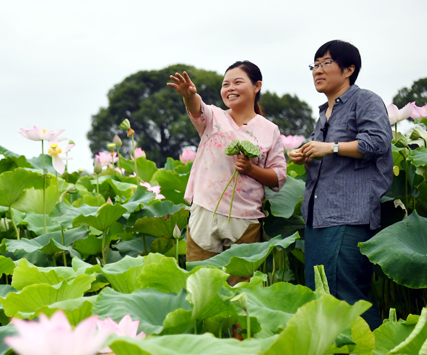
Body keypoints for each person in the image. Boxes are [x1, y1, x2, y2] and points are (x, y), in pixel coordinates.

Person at [289, 40, 391, 330]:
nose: (317, 70)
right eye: (315, 65)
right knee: (321, 295)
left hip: (349, 214)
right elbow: (329, 163)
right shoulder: (324, 112)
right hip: (318, 217)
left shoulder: (365, 100)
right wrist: (306, 157)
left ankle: (378, 354)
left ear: (348, 70)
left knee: (346, 294)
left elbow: (378, 142)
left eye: (326, 63)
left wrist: (330, 147)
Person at [168, 62, 287, 285]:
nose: (230, 88)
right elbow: (197, 107)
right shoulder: (214, 117)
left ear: (257, 86)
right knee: (202, 286)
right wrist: (188, 95)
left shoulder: (269, 130)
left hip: (245, 219)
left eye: (237, 82)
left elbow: (278, 178)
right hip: (206, 211)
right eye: (226, 84)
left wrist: (251, 169)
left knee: (240, 288)